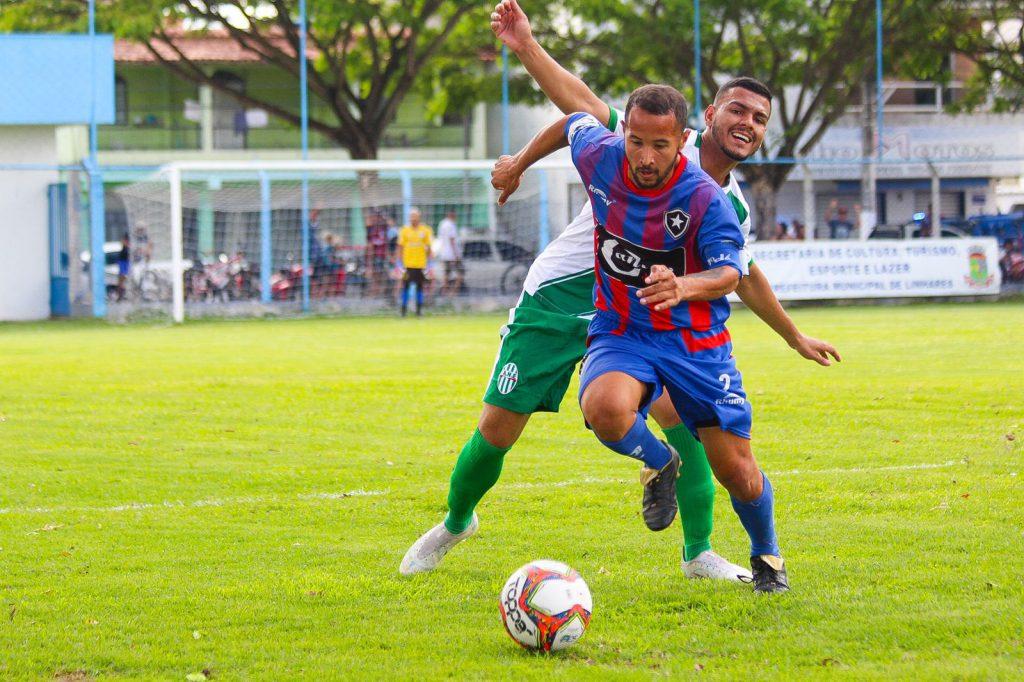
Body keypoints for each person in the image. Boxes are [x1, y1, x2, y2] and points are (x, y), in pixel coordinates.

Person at [400, 0, 839, 586]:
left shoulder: (727, 205)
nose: (746, 123)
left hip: (644, 324)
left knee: (682, 420)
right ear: (708, 116)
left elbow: (744, 274)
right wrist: (525, 50)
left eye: (758, 118)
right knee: (499, 427)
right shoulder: (651, 139)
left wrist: (793, 335)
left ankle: (699, 552)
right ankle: (456, 523)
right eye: (736, 110)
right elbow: (578, 107)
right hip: (561, 299)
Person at [396, 208, 433, 316]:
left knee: (420, 287)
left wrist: (430, 263)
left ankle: (419, 311)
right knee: (406, 287)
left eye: (415, 216)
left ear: (419, 217)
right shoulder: (404, 230)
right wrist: (399, 263)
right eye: (411, 216)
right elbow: (400, 247)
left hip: (421, 264)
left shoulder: (425, 230)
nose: (413, 218)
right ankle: (403, 310)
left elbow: (429, 247)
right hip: (407, 264)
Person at [436, 210, 464, 295]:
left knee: (446, 274)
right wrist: (456, 255)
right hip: (452, 254)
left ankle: (445, 292)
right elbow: (452, 240)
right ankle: (453, 293)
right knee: (460, 273)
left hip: (444, 254)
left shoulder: (442, 224)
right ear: (453, 215)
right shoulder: (451, 225)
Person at [365, 211, 391, 297]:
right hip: (376, 256)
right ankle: (374, 292)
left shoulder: (384, 228)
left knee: (382, 275)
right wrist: (370, 260)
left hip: (383, 256)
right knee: (375, 275)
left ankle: (380, 292)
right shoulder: (372, 230)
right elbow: (370, 245)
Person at [116, 233, 131, 301]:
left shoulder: (128, 246)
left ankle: (122, 294)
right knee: (121, 279)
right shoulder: (125, 245)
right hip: (123, 262)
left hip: (127, 262)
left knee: (123, 280)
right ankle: (120, 295)